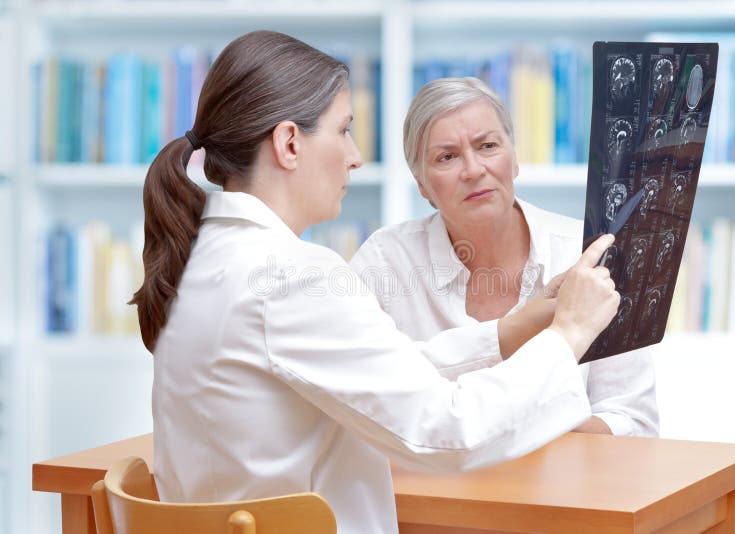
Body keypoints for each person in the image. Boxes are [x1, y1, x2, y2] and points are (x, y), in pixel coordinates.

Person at [131, 32, 620, 534]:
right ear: (289, 143)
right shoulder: (291, 277)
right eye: (343, 130)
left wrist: (508, 332)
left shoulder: (206, 259)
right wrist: (569, 334)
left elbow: (377, 374)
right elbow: (449, 431)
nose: (356, 155)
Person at [350, 77, 658, 437]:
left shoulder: (593, 254)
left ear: (514, 159)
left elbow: (633, 423)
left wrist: (516, 434)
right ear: (421, 184)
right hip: (430, 490)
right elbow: (364, 397)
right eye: (446, 157)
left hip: (566, 488)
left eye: (488, 146)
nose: (474, 170)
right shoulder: (385, 261)